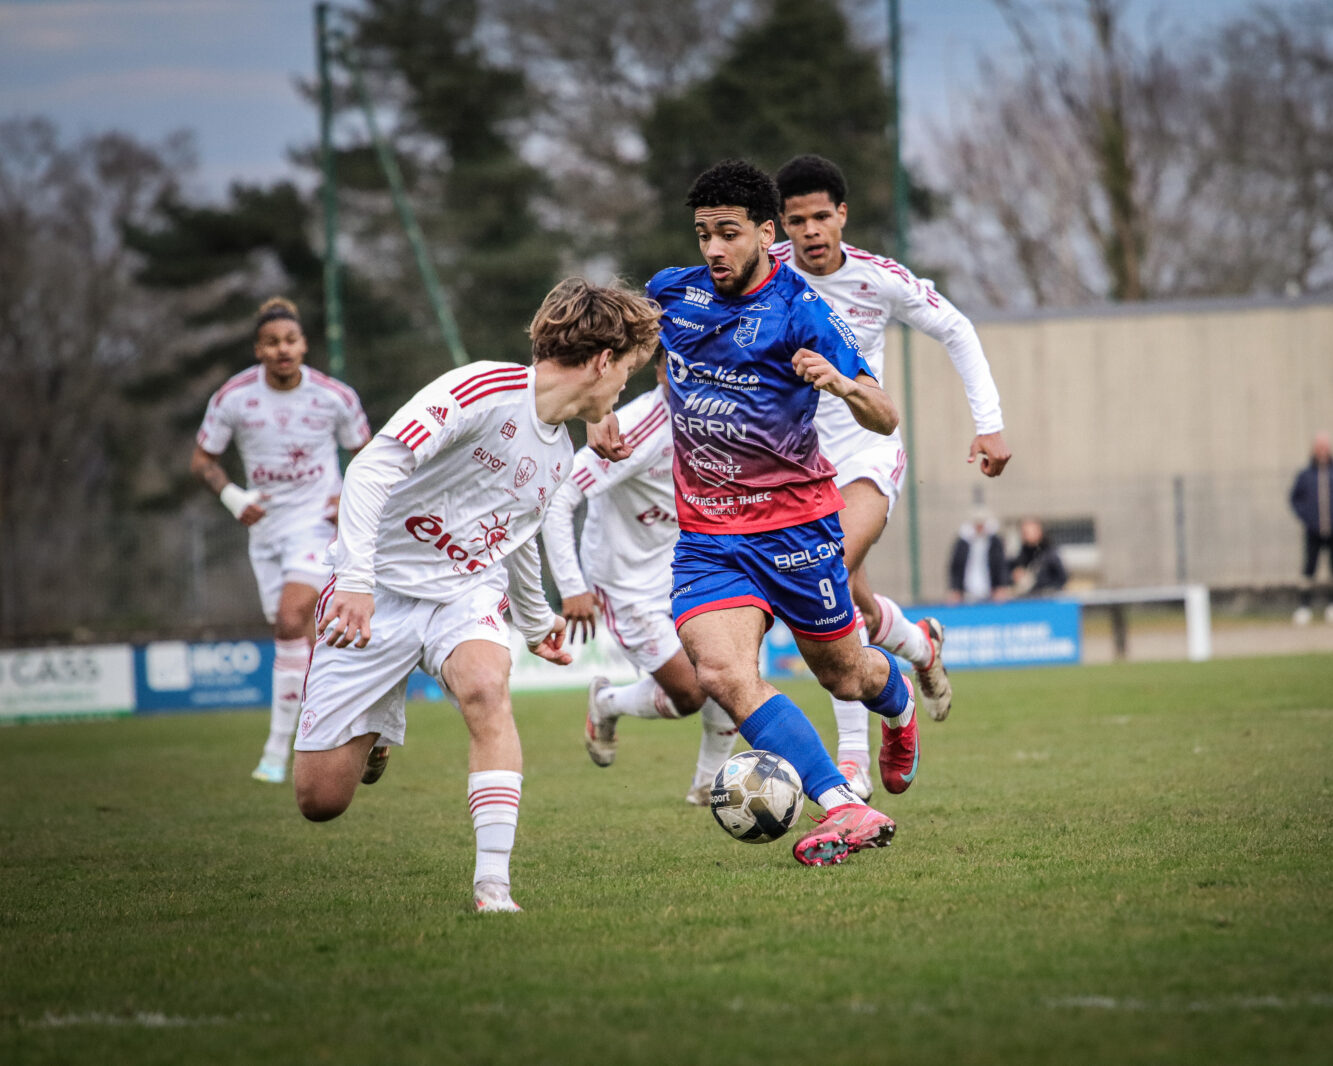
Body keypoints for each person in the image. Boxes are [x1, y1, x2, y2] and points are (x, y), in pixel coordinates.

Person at [293, 278, 661, 913]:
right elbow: (372, 468)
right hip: (377, 587)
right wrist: (354, 580)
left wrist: (535, 621)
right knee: (320, 801)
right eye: (627, 371)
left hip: (464, 591)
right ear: (604, 361)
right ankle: (376, 727)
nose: (623, 389)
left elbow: (512, 537)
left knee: (488, 691)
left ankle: (493, 886)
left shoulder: (559, 453)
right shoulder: (483, 390)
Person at [605, 158, 918, 866]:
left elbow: (884, 414)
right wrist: (600, 410)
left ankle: (897, 700)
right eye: (703, 234)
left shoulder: (802, 311)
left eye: (729, 233)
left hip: (796, 531)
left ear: (765, 233)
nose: (713, 248)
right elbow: (617, 347)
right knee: (719, 673)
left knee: (844, 675)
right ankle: (844, 806)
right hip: (710, 537)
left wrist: (841, 383)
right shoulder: (672, 292)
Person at [771, 153, 1010, 795]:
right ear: (781, 225)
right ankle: (920, 646)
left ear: (842, 215)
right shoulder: (765, 275)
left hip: (865, 453)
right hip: (794, 466)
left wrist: (989, 424)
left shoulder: (880, 279)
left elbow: (956, 329)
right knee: (853, 600)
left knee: (823, 576)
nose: (811, 230)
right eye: (797, 220)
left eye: (822, 216)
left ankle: (851, 758)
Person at [539, 350, 740, 805]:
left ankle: (708, 786)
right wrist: (572, 586)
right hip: (624, 582)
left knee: (732, 669)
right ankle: (606, 703)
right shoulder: (636, 428)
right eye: (682, 366)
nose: (697, 376)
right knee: (689, 694)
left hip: (687, 569)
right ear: (661, 370)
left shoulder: (724, 421)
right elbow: (559, 497)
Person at [191, 296, 371, 785]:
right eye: (271, 343)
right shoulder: (234, 397)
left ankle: (276, 753)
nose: (282, 349)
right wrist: (232, 496)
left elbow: (369, 454)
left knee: (291, 619)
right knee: (305, 637)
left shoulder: (334, 396)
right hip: (265, 531)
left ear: (304, 345)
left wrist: (348, 495)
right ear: (258, 350)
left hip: (317, 527)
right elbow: (202, 460)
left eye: (290, 340)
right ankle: (353, 722)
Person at [1288, 432, 1333, 624]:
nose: (1322, 451)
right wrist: (1307, 518)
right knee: (1309, 569)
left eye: (1325, 447)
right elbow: (1295, 499)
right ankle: (1304, 606)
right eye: (1319, 448)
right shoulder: (1305, 475)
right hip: (1313, 531)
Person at [946, 511, 1010, 603]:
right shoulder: (962, 543)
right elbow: (956, 567)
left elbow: (1000, 564)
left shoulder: (994, 542)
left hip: (990, 592)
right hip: (967, 592)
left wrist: (1001, 586)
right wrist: (955, 588)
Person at [1010, 517, 1069, 596]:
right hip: (1029, 598)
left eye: (1028, 532)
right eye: (1024, 533)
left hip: (1046, 598)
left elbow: (1061, 578)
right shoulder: (1022, 555)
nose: (1026, 536)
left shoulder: (1050, 554)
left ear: (1039, 532)